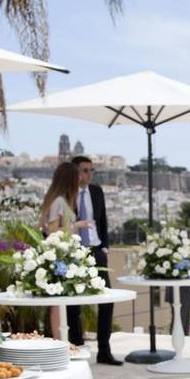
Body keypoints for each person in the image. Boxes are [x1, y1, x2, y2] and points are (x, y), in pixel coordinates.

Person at [65, 155, 122, 365]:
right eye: (85, 170)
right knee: (74, 304)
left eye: (91, 170)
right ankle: (78, 348)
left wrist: (105, 247)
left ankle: (104, 351)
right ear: (75, 172)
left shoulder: (97, 192)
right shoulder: (66, 194)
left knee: (107, 300)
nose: (89, 174)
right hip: (75, 253)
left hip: (97, 251)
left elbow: (103, 220)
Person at [38, 162, 94, 340]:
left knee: (60, 305)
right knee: (58, 305)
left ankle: (62, 342)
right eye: (77, 175)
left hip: (62, 256)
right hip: (59, 258)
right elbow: (53, 231)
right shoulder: (59, 201)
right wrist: (76, 225)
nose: (80, 179)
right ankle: (59, 342)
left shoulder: (60, 200)